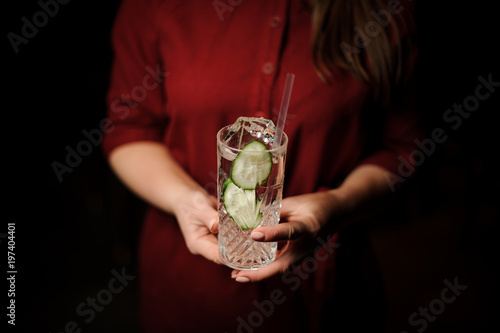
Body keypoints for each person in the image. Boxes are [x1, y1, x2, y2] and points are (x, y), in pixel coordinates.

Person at [102, 0, 422, 332]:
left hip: (329, 293)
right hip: (190, 293)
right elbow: (127, 129)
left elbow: (402, 149)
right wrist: (185, 200)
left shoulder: (383, 10)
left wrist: (338, 204)